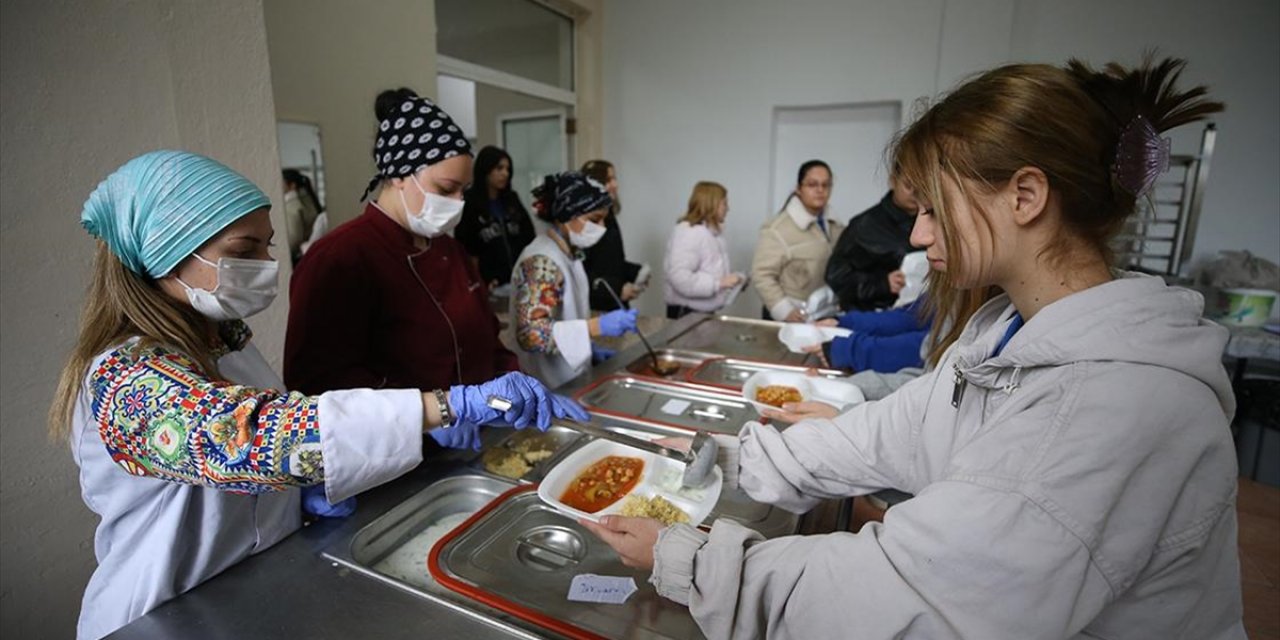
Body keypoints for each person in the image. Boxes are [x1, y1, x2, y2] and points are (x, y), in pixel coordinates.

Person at [584, 57, 1242, 639]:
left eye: (934, 208)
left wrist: (690, 560)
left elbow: (906, 598)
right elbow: (890, 434)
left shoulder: (1102, 406)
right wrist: (727, 460)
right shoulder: (1004, 332)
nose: (921, 235)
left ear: (1025, 196)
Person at [52, 150, 588, 640]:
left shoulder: (225, 340)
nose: (266, 263)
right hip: (160, 612)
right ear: (164, 254)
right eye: (243, 250)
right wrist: (446, 405)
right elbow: (247, 438)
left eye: (267, 245)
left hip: (247, 587)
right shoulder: (123, 378)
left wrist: (299, 491)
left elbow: (273, 434)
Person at [285, 88, 520, 402]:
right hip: (406, 434)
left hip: (484, 423)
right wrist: (430, 411)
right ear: (399, 174)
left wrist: (513, 380)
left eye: (463, 191)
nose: (458, 202)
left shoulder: (450, 251)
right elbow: (316, 381)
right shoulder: (340, 257)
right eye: (446, 189)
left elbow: (487, 339)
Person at [511, 171, 638, 388]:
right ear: (567, 215)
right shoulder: (541, 260)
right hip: (548, 385)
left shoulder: (570, 254)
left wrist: (588, 348)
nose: (602, 227)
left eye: (604, 220)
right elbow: (530, 334)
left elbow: (565, 317)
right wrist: (594, 327)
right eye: (594, 220)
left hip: (567, 377)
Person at [751, 160, 845, 322]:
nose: (820, 190)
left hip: (823, 312)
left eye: (826, 185)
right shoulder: (777, 229)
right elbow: (761, 274)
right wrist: (784, 311)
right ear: (798, 188)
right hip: (791, 315)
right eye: (812, 184)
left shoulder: (836, 226)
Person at [825, 175, 919, 311]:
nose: (916, 192)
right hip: (876, 312)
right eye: (909, 185)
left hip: (924, 309)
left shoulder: (934, 222)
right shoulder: (864, 225)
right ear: (893, 181)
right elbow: (836, 275)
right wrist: (882, 284)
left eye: (923, 185)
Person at [455, 145, 537, 289]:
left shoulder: (512, 200)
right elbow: (467, 249)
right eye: (499, 168)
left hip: (521, 281)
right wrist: (480, 282)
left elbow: (529, 237)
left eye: (508, 169)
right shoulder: (470, 203)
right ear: (486, 169)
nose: (505, 174)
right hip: (491, 286)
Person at [663, 181, 744, 319]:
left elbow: (708, 271)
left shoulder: (711, 234)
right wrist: (719, 284)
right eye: (724, 203)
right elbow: (679, 277)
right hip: (685, 314)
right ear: (711, 204)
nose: (728, 208)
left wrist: (733, 282)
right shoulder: (690, 232)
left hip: (699, 314)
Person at [580, 159, 649, 310]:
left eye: (614, 178)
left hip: (614, 306)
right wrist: (616, 289)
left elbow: (610, 261)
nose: (615, 185)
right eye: (608, 180)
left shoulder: (609, 217)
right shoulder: (583, 223)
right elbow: (581, 272)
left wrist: (636, 272)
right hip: (597, 309)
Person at [281, 168, 325, 263]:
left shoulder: (292, 206)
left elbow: (294, 239)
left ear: (292, 185)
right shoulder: (308, 200)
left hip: (301, 257)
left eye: (282, 183)